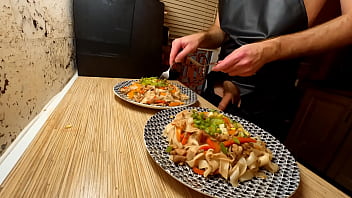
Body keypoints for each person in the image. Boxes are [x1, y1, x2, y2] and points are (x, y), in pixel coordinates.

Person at [169, 0, 352, 141]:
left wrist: (273, 48)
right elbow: (221, 29)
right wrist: (202, 37)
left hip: (269, 103)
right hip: (217, 89)